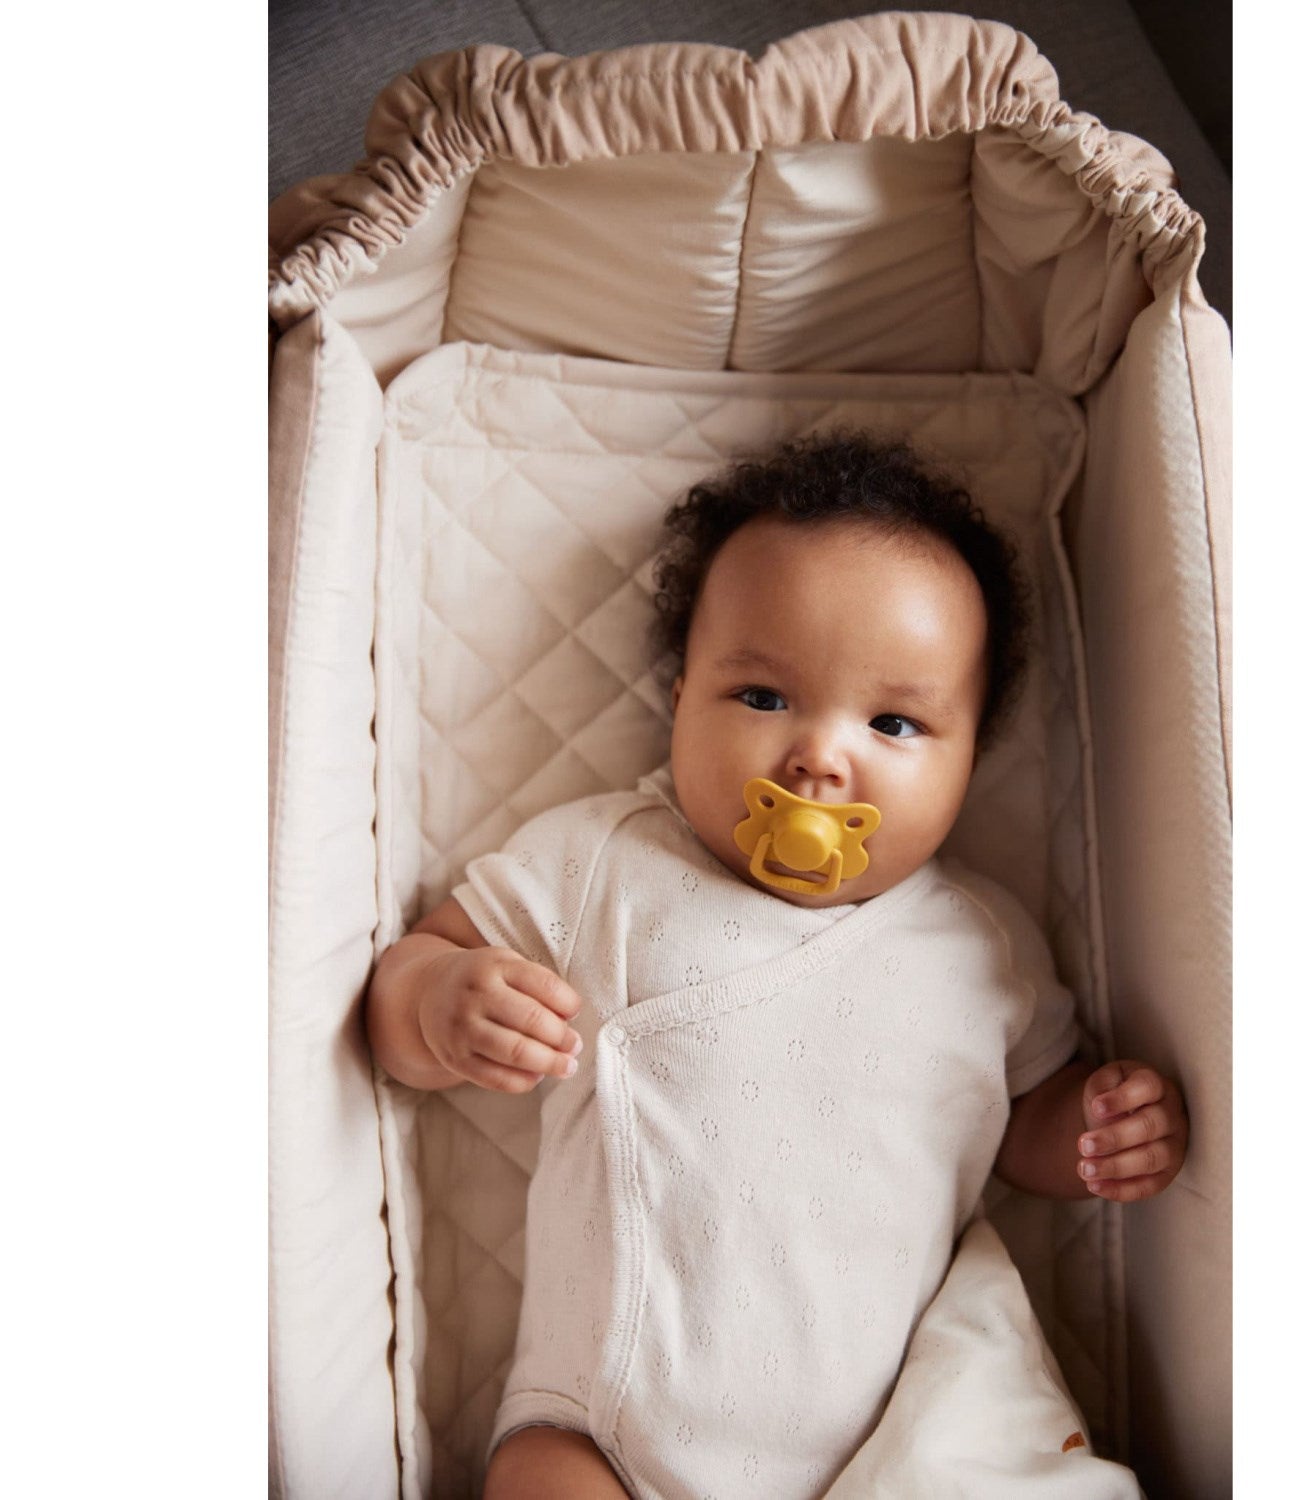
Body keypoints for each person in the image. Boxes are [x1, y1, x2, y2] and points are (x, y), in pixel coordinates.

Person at [367, 432, 1188, 1500]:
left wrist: (1096, 1129)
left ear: (968, 760)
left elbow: (1021, 1121)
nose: (819, 757)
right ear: (679, 702)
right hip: (603, 1426)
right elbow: (403, 991)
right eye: (762, 698)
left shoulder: (983, 946)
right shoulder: (604, 862)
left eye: (894, 722)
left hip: (889, 1450)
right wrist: (437, 1003)